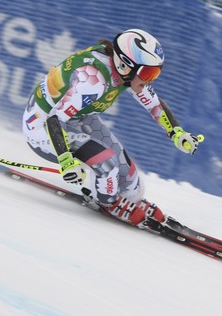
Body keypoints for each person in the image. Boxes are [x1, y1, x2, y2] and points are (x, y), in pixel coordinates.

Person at [22, 29, 203, 230]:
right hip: (42, 125)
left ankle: (120, 197)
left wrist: (176, 133)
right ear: (124, 65)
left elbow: (154, 105)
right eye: (147, 73)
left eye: (154, 73)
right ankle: (108, 202)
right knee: (106, 164)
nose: (149, 80)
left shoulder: (126, 75)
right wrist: (66, 160)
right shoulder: (93, 81)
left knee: (131, 180)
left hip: (78, 117)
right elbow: (55, 119)